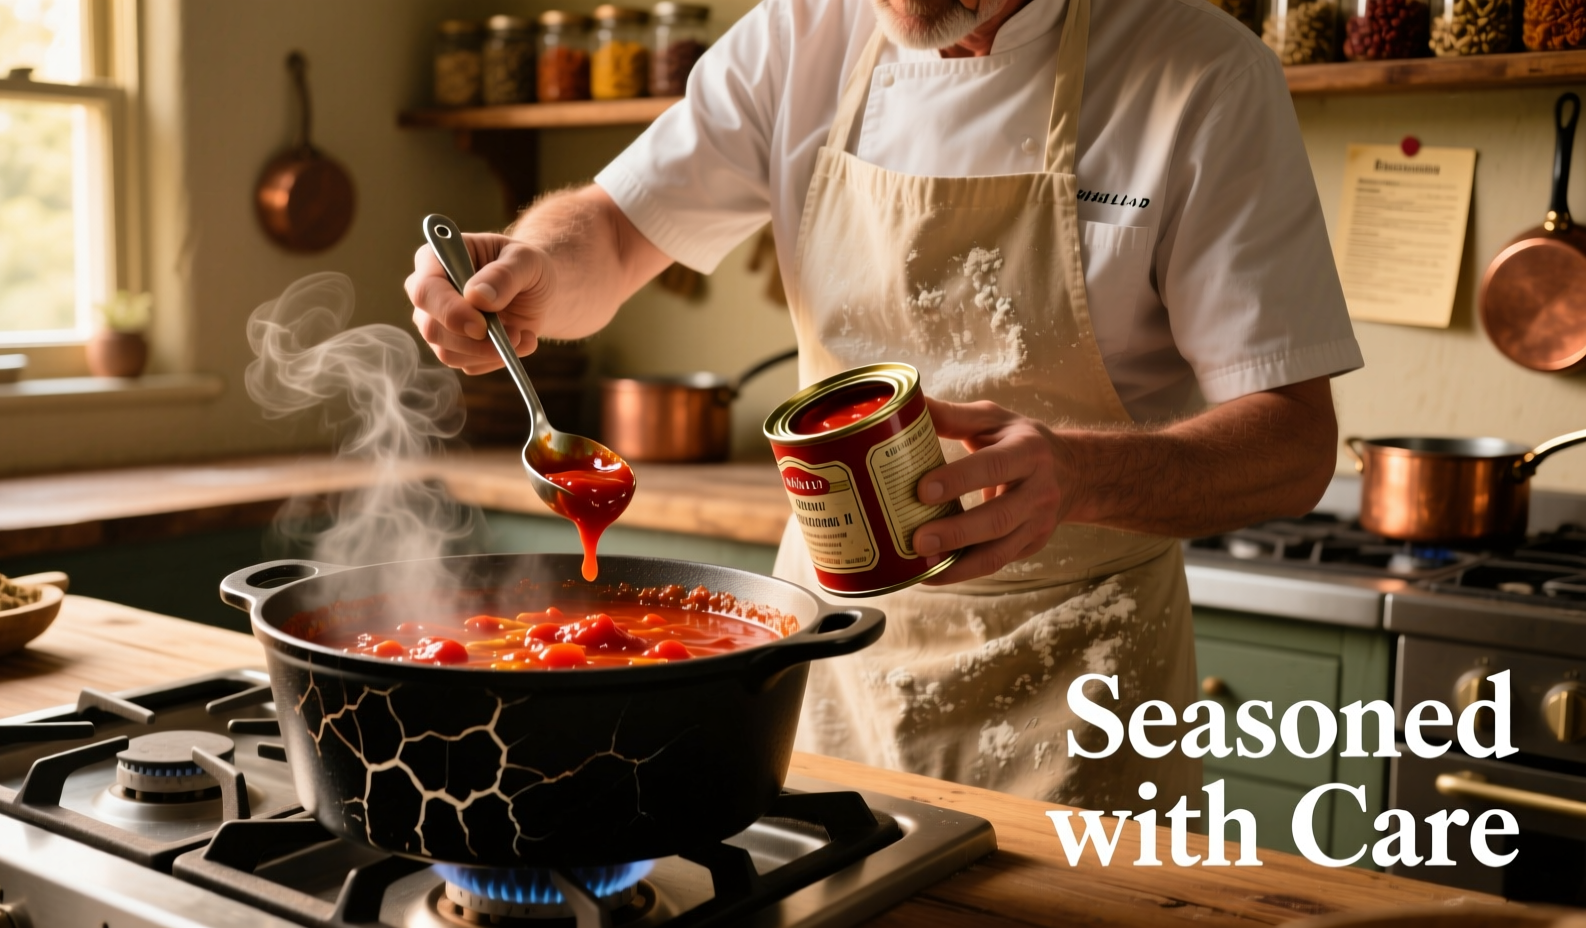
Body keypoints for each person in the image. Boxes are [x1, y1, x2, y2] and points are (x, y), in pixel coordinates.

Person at [405, 0, 1361, 813]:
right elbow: (612, 233)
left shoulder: (1202, 75)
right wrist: (532, 267)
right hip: (828, 661)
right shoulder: (798, 36)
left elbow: (1291, 446)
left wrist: (1077, 474)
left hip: (1085, 681)